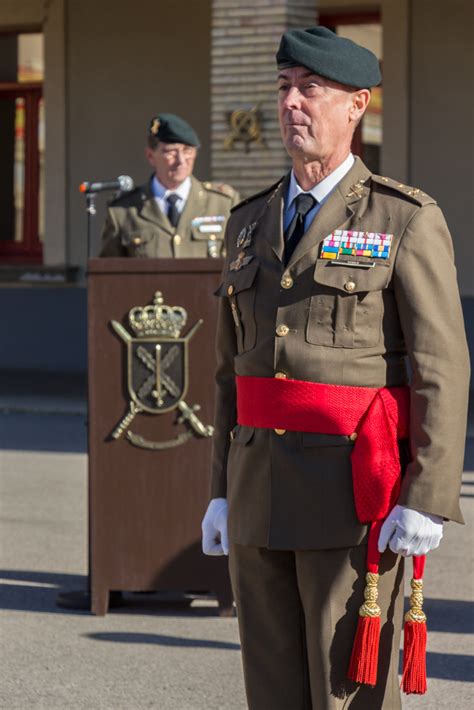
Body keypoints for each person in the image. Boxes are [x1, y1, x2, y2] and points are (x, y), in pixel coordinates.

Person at [201, 26, 470, 709]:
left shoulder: (401, 217)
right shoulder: (248, 221)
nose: (293, 103)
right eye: (285, 88)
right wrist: (220, 490)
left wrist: (427, 492)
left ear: (357, 106)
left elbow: (441, 362)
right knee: (271, 688)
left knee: (345, 691)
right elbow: (229, 369)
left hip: (351, 497)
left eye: (311, 90)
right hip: (258, 485)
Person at [100, 113, 239, 257]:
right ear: (150, 156)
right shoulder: (123, 210)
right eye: (171, 152)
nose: (181, 161)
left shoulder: (223, 203)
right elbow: (109, 273)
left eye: (187, 151)